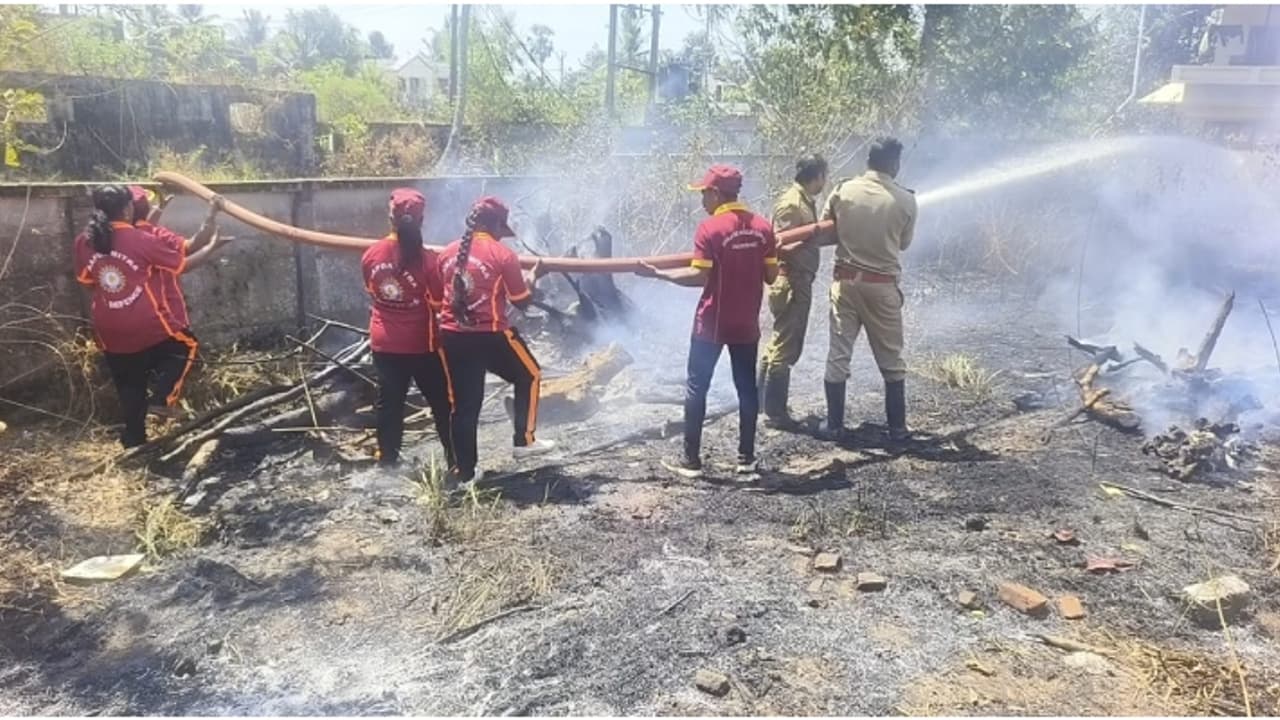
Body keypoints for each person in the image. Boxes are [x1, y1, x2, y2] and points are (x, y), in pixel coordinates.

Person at [637, 165, 778, 478]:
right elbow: (771, 275)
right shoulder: (764, 227)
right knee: (747, 390)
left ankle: (692, 462)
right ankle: (746, 459)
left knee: (696, 387)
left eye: (704, 192)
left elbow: (699, 276)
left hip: (711, 324)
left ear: (716, 193)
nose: (702, 199)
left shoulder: (710, 229)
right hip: (746, 323)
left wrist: (659, 274)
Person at [73, 184, 221, 448]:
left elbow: (86, 281)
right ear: (128, 208)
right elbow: (182, 265)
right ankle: (162, 399)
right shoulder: (140, 239)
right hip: (145, 325)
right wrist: (211, 247)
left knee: (129, 386)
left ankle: (134, 442)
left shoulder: (84, 240)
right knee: (186, 344)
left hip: (108, 329)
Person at [439, 196, 553, 485]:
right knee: (530, 374)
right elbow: (523, 301)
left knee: (464, 406)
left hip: (453, 337)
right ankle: (524, 441)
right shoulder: (503, 256)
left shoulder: (446, 254)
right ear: (494, 225)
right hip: (491, 336)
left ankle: (466, 472)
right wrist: (534, 276)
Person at [820, 137, 918, 441]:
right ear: (892, 164)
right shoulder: (906, 200)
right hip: (881, 288)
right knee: (891, 360)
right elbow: (903, 243)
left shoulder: (843, 190)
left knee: (838, 354)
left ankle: (834, 425)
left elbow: (827, 229)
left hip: (845, 283)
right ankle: (898, 429)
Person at [361, 188, 455, 470]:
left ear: (390, 217)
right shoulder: (429, 262)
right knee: (442, 403)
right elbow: (438, 304)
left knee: (390, 404)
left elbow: (372, 290)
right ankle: (456, 461)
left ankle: (388, 461)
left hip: (384, 344)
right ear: (422, 219)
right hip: (422, 345)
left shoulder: (371, 255)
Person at [128, 186, 226, 418]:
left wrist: (159, 210)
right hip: (164, 314)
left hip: (129, 317)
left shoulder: (115, 239)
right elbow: (193, 245)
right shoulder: (155, 237)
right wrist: (212, 216)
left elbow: (144, 224)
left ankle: (146, 405)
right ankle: (161, 403)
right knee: (181, 350)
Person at [759, 154, 829, 429]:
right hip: (791, 282)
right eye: (825, 176)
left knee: (779, 342)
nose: (825, 182)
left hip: (798, 281)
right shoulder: (791, 203)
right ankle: (775, 413)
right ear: (818, 175)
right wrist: (808, 238)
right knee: (785, 346)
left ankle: (763, 403)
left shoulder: (803, 201)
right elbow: (776, 247)